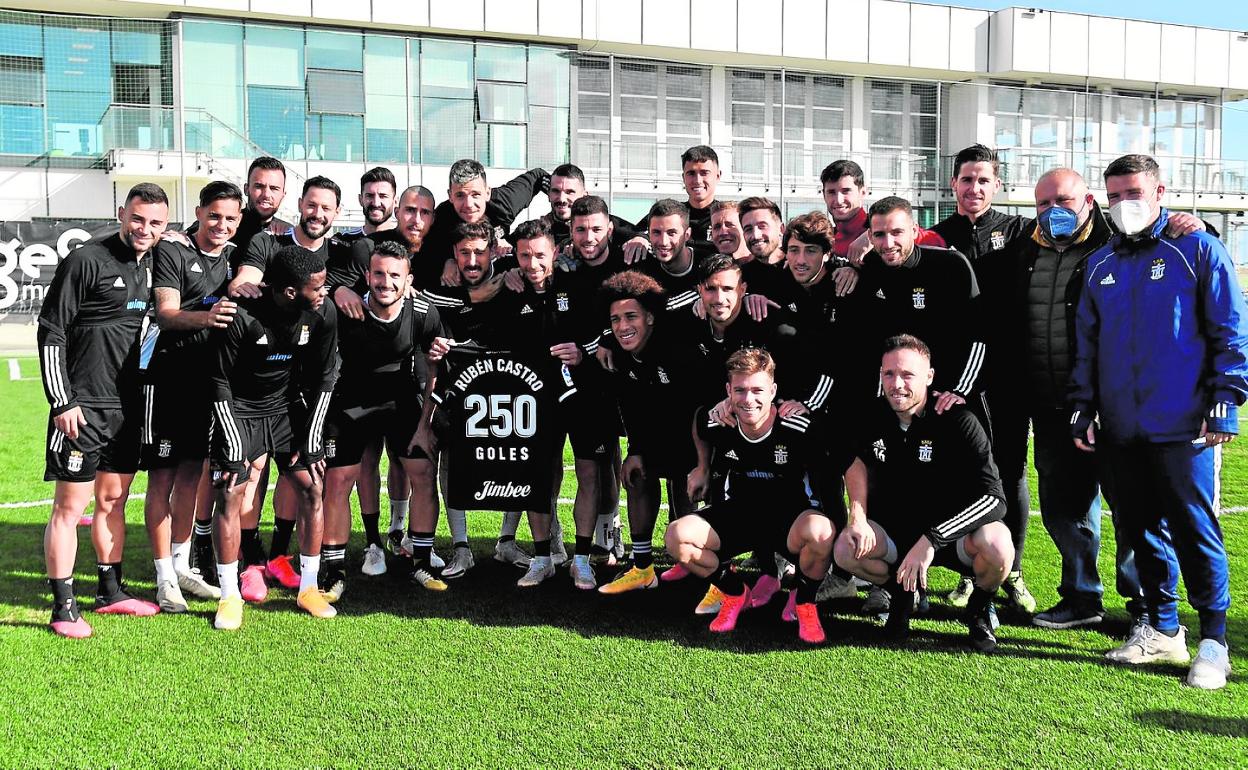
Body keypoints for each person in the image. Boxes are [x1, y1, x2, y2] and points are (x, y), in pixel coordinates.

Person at [1070, 153, 1247, 690]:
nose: (1126, 204)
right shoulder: (1100, 264)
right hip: (1122, 427)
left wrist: (1227, 398)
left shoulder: (1198, 249)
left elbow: (1230, 332)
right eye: (1116, 195)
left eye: (1134, 192)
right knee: (1139, 530)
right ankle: (1163, 629)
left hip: (1187, 426)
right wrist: (1083, 405)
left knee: (1196, 531)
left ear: (1160, 191)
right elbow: (1087, 345)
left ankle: (1213, 641)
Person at [1008, 168, 1143, 630]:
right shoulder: (1024, 248)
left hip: (1112, 406)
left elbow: (1179, 236)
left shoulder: (1116, 243)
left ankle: (1142, 602)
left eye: (1062, 201)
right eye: (1042, 204)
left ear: (1088, 200)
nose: (1052, 212)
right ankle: (1082, 597)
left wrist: (1195, 223)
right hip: (1050, 406)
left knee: (1130, 505)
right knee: (1066, 509)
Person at [39, 183, 169, 638]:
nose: (144, 229)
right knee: (69, 507)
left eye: (154, 223)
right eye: (137, 218)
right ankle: (62, 606)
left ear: (165, 226)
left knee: (112, 501)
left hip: (127, 409)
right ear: (121, 213)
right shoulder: (87, 260)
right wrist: (62, 400)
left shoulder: (157, 263)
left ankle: (110, 592)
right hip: (82, 408)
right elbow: (51, 329)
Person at [834, 334, 1013, 652]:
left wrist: (932, 539)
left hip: (953, 538)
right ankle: (902, 594)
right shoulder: (871, 416)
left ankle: (979, 609)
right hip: (897, 536)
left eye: (907, 375)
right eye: (889, 374)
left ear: (929, 377)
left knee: (998, 545)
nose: (897, 384)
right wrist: (857, 517)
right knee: (846, 548)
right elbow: (853, 462)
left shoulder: (959, 420)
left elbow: (994, 498)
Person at [856, 196, 988, 614]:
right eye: (879, 234)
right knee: (894, 481)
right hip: (900, 398)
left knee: (969, 482)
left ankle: (978, 585)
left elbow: (979, 335)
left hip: (950, 397)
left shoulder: (949, 266)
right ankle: (899, 582)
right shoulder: (873, 269)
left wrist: (959, 390)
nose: (888, 241)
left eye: (897, 231)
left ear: (915, 230)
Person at [227, 175, 350, 595]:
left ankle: (279, 556)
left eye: (327, 207)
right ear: (299, 204)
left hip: (293, 396)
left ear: (336, 212)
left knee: (300, 475)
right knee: (249, 473)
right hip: (251, 394)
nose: (318, 214)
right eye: (311, 205)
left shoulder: (340, 258)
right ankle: (249, 560)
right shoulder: (268, 243)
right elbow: (244, 278)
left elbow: (325, 372)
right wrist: (247, 293)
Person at [667, 348, 839, 644]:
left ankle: (805, 601)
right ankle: (735, 594)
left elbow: (837, 465)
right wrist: (702, 466)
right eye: (740, 390)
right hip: (741, 515)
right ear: (728, 391)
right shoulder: (722, 421)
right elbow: (699, 423)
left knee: (821, 531)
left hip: (789, 520)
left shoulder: (797, 427)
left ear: (772, 391)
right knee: (676, 536)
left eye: (758, 390)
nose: (749, 400)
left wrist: (839, 519)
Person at [208, 244, 338, 630]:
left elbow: (327, 375)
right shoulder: (240, 315)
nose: (324, 293)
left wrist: (312, 438)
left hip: (285, 410)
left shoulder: (321, 313)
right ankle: (230, 596)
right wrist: (232, 441)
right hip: (241, 411)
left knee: (313, 486)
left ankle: (309, 589)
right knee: (230, 491)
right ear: (289, 292)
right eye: (316, 288)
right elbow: (218, 381)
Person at [424, 222, 563, 576]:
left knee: (518, 456)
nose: (472, 260)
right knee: (451, 459)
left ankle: (506, 541)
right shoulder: (446, 286)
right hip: (460, 386)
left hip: (512, 388)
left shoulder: (513, 280)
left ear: (494, 252)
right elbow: (435, 305)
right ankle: (461, 547)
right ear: (453, 255)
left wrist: (510, 274)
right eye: (464, 253)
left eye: (479, 252)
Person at [321, 239, 449, 597]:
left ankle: (421, 562)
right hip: (351, 403)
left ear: (408, 280)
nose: (386, 282)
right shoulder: (344, 312)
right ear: (367, 275)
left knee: (423, 472)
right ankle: (334, 571)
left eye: (395, 275)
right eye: (378, 274)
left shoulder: (423, 312)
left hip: (400, 400)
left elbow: (434, 368)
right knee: (338, 482)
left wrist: (424, 427)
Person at [141, 181, 243, 612]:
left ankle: (182, 567)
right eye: (214, 215)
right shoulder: (173, 251)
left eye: (230, 218)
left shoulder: (238, 259)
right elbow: (164, 314)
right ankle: (164, 577)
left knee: (190, 479)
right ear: (199, 212)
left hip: (209, 386)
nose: (221, 225)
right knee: (162, 480)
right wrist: (208, 315)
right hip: (167, 381)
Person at [501, 218, 617, 589]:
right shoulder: (512, 289)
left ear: (555, 251)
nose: (532, 264)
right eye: (524, 256)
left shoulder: (579, 283)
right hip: (535, 400)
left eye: (539, 255)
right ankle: (541, 558)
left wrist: (582, 353)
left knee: (589, 473)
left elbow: (606, 331)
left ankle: (581, 558)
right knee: (537, 475)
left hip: (584, 396)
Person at [596, 271, 700, 594]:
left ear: (651, 317)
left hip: (696, 435)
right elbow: (630, 408)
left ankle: (697, 562)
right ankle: (642, 567)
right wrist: (636, 449)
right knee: (636, 474)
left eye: (631, 317)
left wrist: (702, 462)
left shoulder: (677, 347)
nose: (623, 326)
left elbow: (696, 408)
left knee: (688, 485)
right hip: (656, 434)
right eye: (615, 319)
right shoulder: (616, 351)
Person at [819, 159, 945, 266]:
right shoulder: (827, 241)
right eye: (831, 192)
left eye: (846, 191)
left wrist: (874, 237)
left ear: (863, 192)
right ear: (823, 195)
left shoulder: (882, 227)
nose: (838, 200)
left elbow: (934, 241)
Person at [624, 145, 720, 259]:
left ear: (718, 176)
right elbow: (635, 231)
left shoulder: (726, 216)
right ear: (683, 178)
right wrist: (640, 237)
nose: (697, 180)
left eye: (704, 173)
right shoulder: (671, 214)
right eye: (691, 173)